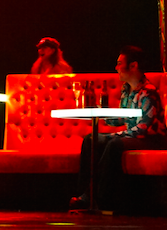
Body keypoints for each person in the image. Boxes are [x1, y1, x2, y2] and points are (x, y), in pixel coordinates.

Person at [69, 45, 167, 212]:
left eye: (120, 63)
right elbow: (122, 118)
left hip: (152, 139)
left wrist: (115, 135)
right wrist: (100, 113)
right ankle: (86, 194)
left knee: (114, 144)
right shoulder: (126, 90)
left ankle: (102, 198)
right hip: (135, 137)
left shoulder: (148, 92)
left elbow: (142, 128)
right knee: (91, 139)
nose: (116, 67)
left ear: (133, 66)